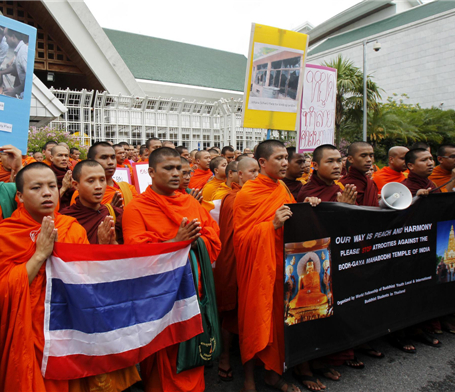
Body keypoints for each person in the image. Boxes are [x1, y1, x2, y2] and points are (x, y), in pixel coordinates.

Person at [0, 163, 139, 391]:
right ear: (19, 196)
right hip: (33, 327)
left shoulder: (71, 227)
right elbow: (1, 291)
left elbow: (90, 280)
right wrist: (39, 256)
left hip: (72, 322)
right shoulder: (5, 233)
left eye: (52, 186)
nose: (47, 193)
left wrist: (104, 248)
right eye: (36, 187)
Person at [122, 147, 221, 392]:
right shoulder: (137, 207)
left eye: (179, 168)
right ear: (152, 173)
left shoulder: (190, 202)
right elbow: (135, 255)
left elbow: (213, 238)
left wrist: (194, 241)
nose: (176, 174)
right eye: (168, 168)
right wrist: (175, 243)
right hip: (158, 298)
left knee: (192, 354)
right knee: (162, 357)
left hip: (193, 291)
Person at [234, 140, 320, 392]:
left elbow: (291, 219)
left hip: (282, 264)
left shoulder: (281, 186)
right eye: (279, 158)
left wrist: (308, 207)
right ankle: (249, 379)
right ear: (262, 162)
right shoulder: (247, 193)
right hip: (258, 268)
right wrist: (269, 226)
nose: (285, 163)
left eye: (286, 158)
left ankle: (273, 373)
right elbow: (240, 239)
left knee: (279, 320)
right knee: (254, 319)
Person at [213, 157, 258, 383]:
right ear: (239, 175)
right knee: (231, 310)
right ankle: (225, 357)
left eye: (259, 172)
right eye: (252, 172)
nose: (257, 176)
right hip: (234, 261)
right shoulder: (233, 197)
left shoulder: (263, 194)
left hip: (256, 259)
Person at [61, 160, 124, 244]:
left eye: (102, 180)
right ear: (76, 185)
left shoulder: (115, 214)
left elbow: (127, 253)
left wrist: (112, 243)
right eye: (91, 181)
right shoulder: (65, 219)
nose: (98, 186)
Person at [70, 142, 137, 207]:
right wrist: (109, 210)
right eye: (104, 158)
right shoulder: (81, 193)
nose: (110, 162)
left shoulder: (128, 189)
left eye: (113, 157)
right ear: (91, 161)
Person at [339, 142, 378, 206]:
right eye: (363, 156)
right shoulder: (343, 185)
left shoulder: (370, 183)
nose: (369, 160)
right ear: (350, 159)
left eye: (371, 156)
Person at [1, 28, 28, 98]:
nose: (6, 41)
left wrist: (15, 90)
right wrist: (0, 73)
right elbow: (14, 67)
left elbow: (29, 76)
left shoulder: (23, 52)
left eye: (7, 38)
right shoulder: (19, 51)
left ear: (13, 37)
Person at [48, 145, 75, 210]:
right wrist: (63, 188)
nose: (64, 158)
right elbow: (47, 200)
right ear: (51, 158)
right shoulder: (46, 175)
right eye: (60, 155)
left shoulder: (72, 173)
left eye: (66, 156)